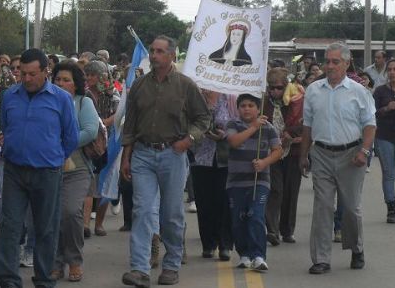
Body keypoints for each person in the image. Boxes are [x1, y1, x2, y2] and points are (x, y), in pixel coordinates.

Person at [120, 35, 210, 287]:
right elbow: (130, 125)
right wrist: (126, 157)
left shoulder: (185, 85)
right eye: (152, 51)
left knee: (171, 214)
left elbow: (203, 119)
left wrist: (188, 140)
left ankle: (171, 265)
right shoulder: (139, 85)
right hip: (142, 154)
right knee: (142, 210)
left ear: (171, 55)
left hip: (173, 154)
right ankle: (139, 269)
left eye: (160, 51)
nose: (154, 55)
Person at [0, 49, 79, 288]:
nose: (26, 79)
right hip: (14, 171)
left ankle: (44, 280)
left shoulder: (61, 99)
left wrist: (54, 157)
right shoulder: (10, 96)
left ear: (45, 72)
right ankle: (8, 281)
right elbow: (6, 126)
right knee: (9, 227)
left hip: (47, 173)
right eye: (23, 74)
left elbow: (70, 137)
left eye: (32, 74)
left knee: (46, 229)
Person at [299, 42, 376, 275]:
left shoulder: (359, 91)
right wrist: (303, 155)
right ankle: (321, 259)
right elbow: (307, 126)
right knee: (322, 207)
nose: (330, 66)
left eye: (336, 61)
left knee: (351, 207)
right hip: (321, 154)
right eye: (328, 61)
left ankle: (356, 248)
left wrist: (364, 151)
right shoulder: (313, 90)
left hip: (351, 155)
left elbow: (370, 125)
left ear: (347, 63)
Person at [50, 61, 99, 283]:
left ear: (76, 84)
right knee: (52, 215)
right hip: (49, 168)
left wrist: (62, 144)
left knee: (70, 211)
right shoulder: (46, 101)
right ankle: (55, 262)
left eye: (66, 80)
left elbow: (90, 131)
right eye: (57, 79)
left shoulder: (83, 102)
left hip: (77, 169)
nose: (61, 83)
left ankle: (74, 260)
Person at [225, 94, 283, 271]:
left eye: (251, 105)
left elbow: (277, 150)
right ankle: (244, 254)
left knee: (256, 216)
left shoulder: (268, 128)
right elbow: (234, 142)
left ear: (258, 109)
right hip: (236, 183)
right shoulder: (233, 125)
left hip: (259, 181)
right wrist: (253, 127)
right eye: (243, 106)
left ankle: (258, 255)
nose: (247, 109)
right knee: (238, 219)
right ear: (238, 108)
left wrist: (265, 162)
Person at [191, 89, 236, 261]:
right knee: (204, 202)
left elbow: (239, 124)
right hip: (201, 157)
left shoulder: (230, 98)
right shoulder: (196, 99)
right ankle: (208, 244)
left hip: (226, 158)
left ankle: (225, 244)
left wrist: (225, 135)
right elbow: (189, 123)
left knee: (224, 201)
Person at [262, 68, 306, 245]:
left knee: (290, 191)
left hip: (293, 151)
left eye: (279, 87)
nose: (275, 91)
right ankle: (272, 230)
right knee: (275, 190)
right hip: (271, 152)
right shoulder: (264, 101)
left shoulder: (297, 100)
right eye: (271, 87)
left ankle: (287, 230)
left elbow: (306, 122)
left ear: (286, 86)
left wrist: (290, 134)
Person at [82, 60, 119, 237]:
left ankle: (99, 224)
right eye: (87, 74)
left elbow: (119, 114)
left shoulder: (112, 94)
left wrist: (105, 123)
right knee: (89, 184)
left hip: (109, 142)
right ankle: (85, 224)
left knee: (105, 183)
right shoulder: (85, 94)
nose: (89, 78)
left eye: (93, 75)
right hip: (90, 143)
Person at [372, 58, 395, 223]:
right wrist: (386, 108)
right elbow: (372, 113)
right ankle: (391, 208)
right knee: (389, 174)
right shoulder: (380, 91)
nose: (392, 72)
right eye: (389, 69)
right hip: (384, 137)